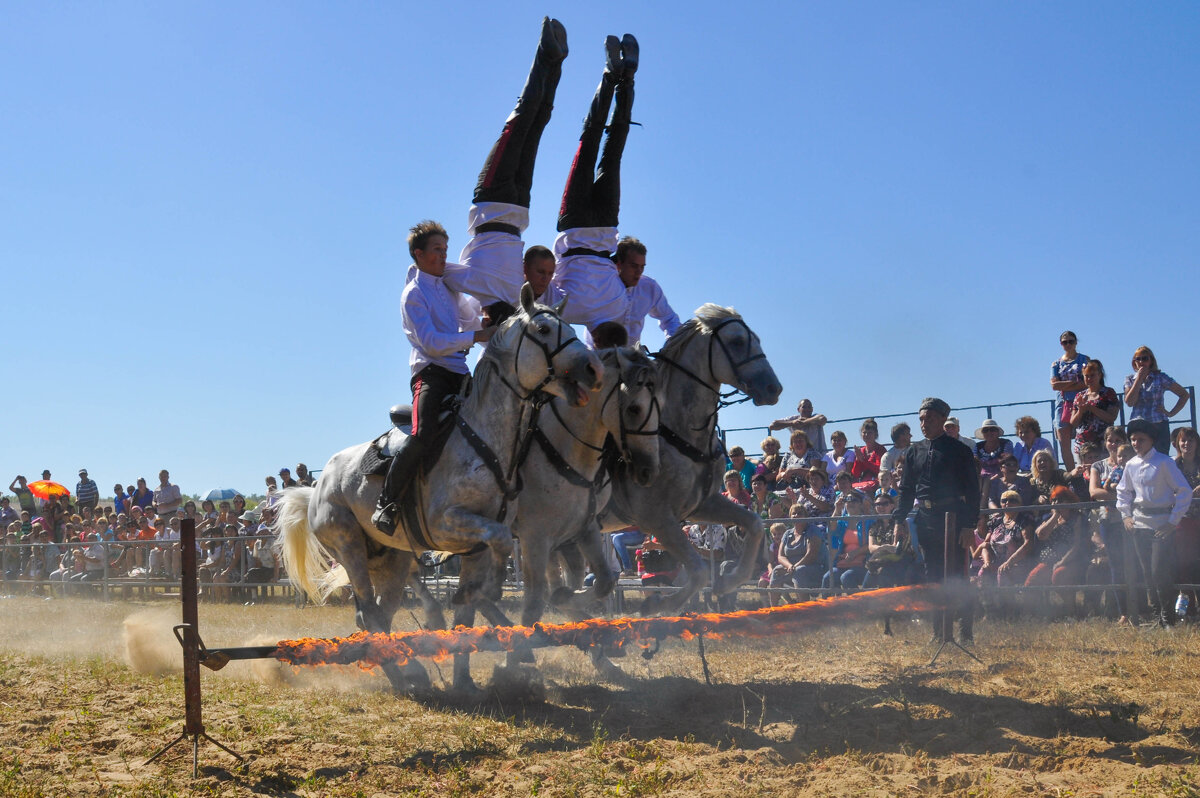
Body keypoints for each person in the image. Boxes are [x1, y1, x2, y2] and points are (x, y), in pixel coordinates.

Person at [373, 221, 494, 534]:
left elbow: (472, 321)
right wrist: (477, 333)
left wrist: (496, 320)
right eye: (437, 250)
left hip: (460, 372)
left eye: (445, 249)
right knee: (423, 433)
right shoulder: (412, 294)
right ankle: (386, 502)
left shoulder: (450, 288)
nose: (444, 256)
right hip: (430, 373)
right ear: (419, 254)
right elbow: (431, 343)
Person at [440, 18, 568, 313]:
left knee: (535, 127)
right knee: (520, 123)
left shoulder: (518, 295)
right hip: (491, 204)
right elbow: (432, 270)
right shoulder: (474, 285)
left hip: (519, 212)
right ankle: (545, 55)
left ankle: (555, 64)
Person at [549, 33, 644, 338]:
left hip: (585, 227)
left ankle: (616, 77)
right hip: (596, 228)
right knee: (603, 149)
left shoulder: (572, 309)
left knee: (601, 148)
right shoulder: (616, 307)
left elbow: (537, 285)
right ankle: (622, 79)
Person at [891, 397, 981, 644]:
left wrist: (968, 525)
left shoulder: (960, 451)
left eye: (929, 418)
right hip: (927, 520)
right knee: (933, 578)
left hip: (953, 518)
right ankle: (938, 632)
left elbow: (973, 491)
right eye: (921, 419)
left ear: (942, 419)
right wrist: (899, 520)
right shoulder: (914, 451)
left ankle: (965, 632)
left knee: (957, 577)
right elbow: (907, 489)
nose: (924, 423)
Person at [1116, 418, 1192, 627]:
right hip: (1139, 524)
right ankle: (1158, 616)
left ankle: (1169, 618)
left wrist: (1173, 521)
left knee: (1160, 571)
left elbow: (1184, 491)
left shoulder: (1164, 462)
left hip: (1161, 524)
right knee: (1147, 573)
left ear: (1151, 440)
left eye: (1140, 439)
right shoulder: (1131, 465)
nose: (1136, 444)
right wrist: (1126, 515)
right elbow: (1122, 492)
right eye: (1132, 440)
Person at [1091, 426, 1132, 622]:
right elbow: (1094, 492)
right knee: (1116, 565)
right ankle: (1123, 611)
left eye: (1117, 440)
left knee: (1134, 563)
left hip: (1132, 520)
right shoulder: (1098, 466)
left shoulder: (1132, 462)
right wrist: (1122, 496)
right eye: (1110, 440)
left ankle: (1140, 607)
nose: (1113, 444)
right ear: (1105, 443)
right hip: (1108, 521)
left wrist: (1117, 496)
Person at [1123, 346, 1189, 455]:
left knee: (1160, 461)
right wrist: (1139, 379)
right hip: (1138, 425)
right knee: (1138, 460)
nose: (1141, 362)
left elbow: (1184, 394)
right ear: (1134, 362)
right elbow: (1130, 402)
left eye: (1144, 358)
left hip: (1158, 425)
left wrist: (1171, 413)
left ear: (1151, 360)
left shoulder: (1160, 377)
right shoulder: (1130, 379)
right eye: (1138, 359)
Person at [1171, 427, 1200, 619]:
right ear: (1177, 444)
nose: (1186, 444)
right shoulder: (1173, 465)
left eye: (1190, 440)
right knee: (1184, 565)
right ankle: (1187, 610)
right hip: (1182, 521)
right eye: (1183, 441)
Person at [1051, 331, 1089, 471]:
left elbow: (1087, 382)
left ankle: (1087, 471)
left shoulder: (1084, 359)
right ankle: (1072, 475)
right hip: (1063, 405)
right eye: (1064, 342)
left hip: (1082, 402)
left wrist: (1065, 384)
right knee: (1064, 444)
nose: (1068, 344)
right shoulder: (1056, 363)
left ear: (1076, 342)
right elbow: (1054, 385)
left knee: (1085, 439)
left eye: (1070, 341)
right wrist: (1075, 382)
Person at [1070, 360, 1120, 458]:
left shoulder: (1108, 393)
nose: (1089, 378)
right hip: (1082, 445)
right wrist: (1081, 410)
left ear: (1099, 375)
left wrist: (1091, 408)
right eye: (1086, 376)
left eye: (1092, 375)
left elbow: (1111, 417)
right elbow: (1073, 422)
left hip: (1102, 444)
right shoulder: (1079, 396)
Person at [849, 418, 885, 492]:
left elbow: (879, 470)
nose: (866, 435)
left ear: (875, 434)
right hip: (862, 484)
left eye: (869, 433)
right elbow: (855, 474)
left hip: (877, 484)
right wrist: (858, 460)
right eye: (864, 432)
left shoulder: (880, 449)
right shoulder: (861, 450)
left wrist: (863, 460)